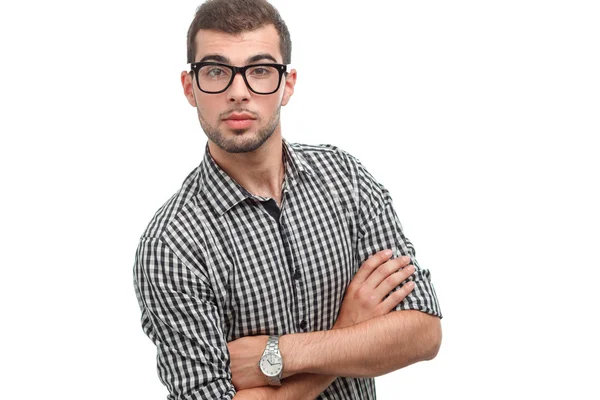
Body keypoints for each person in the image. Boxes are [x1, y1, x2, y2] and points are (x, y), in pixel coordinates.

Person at [132, 0, 443, 398]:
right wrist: (350, 333)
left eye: (260, 70)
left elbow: (423, 331)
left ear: (288, 84)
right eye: (216, 71)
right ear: (190, 87)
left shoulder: (345, 179)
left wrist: (276, 355)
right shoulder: (171, 246)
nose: (238, 92)